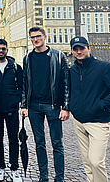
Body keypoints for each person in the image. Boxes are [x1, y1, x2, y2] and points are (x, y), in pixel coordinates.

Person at [20, 27, 69, 182]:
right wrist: (24, 105)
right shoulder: (28, 58)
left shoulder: (58, 56)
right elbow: (24, 84)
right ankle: (43, 177)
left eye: (38, 36)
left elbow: (66, 82)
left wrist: (66, 106)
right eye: (32, 37)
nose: (35, 40)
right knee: (39, 143)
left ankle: (59, 178)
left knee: (57, 144)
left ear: (45, 37)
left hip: (53, 105)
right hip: (34, 106)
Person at [69, 36, 110, 182]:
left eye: (82, 48)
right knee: (88, 163)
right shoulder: (73, 70)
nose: (79, 51)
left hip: (98, 121)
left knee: (96, 161)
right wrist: (73, 107)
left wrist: (101, 106)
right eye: (75, 49)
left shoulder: (104, 67)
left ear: (88, 48)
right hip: (79, 121)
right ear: (72, 51)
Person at [0, 39, 22, 182]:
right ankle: (0, 166)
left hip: (12, 109)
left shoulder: (15, 66)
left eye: (3, 48)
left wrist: (16, 99)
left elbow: (22, 86)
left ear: (7, 50)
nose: (1, 51)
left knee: (13, 139)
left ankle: (14, 168)